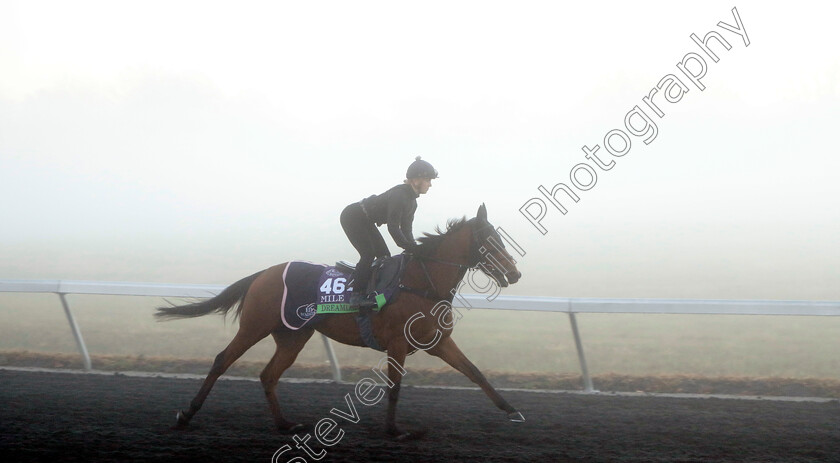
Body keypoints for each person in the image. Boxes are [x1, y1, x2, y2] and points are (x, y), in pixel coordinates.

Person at [340, 156, 438, 310]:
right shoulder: (400, 196)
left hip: (365, 220)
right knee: (368, 254)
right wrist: (411, 248)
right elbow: (393, 228)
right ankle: (356, 297)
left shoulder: (412, 202)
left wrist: (413, 249)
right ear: (416, 180)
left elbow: (406, 230)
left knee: (384, 257)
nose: (430, 184)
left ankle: (374, 295)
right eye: (428, 180)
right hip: (352, 216)